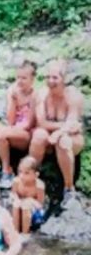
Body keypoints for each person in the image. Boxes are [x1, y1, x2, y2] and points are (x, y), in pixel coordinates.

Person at [29, 60, 84, 208]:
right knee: (39, 134)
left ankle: (69, 188)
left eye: (54, 78)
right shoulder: (42, 95)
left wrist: (60, 132)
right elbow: (42, 122)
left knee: (63, 141)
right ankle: (30, 177)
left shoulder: (73, 96)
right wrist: (62, 127)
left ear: (63, 79)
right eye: (47, 77)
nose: (50, 81)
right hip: (49, 136)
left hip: (71, 139)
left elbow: (73, 124)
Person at [0, 61, 37, 188]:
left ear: (32, 79)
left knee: (0, 133)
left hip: (27, 134)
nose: (20, 81)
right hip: (14, 129)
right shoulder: (13, 91)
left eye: (24, 78)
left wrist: (11, 129)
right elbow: (10, 120)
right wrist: (13, 100)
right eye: (18, 77)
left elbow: (30, 123)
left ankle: (6, 170)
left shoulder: (36, 94)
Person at [10, 157, 46, 235]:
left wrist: (30, 201)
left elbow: (40, 205)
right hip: (20, 208)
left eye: (26, 173)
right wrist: (16, 199)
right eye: (20, 172)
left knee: (26, 206)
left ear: (36, 175)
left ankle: (25, 234)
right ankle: (15, 232)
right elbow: (13, 194)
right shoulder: (16, 181)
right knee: (16, 204)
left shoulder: (39, 185)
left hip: (34, 213)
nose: (22, 176)